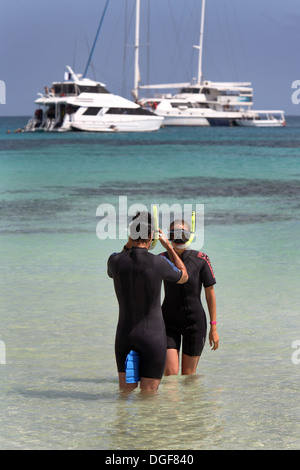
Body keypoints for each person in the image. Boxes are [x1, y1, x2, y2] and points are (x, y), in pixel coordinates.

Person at [107, 211, 189, 392]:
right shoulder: (159, 263)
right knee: (148, 398)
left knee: (125, 393)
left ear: (131, 234)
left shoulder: (115, 261)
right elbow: (184, 276)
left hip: (124, 336)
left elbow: (113, 268)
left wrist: (129, 243)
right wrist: (169, 248)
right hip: (152, 338)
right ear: (151, 236)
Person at [160, 219, 219, 376]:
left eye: (183, 235)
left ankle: (190, 402)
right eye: (174, 235)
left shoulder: (201, 259)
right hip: (167, 323)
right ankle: (171, 402)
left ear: (190, 236)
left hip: (195, 324)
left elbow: (210, 292)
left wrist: (213, 326)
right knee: (171, 375)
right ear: (168, 237)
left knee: (188, 377)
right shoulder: (160, 259)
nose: (178, 239)